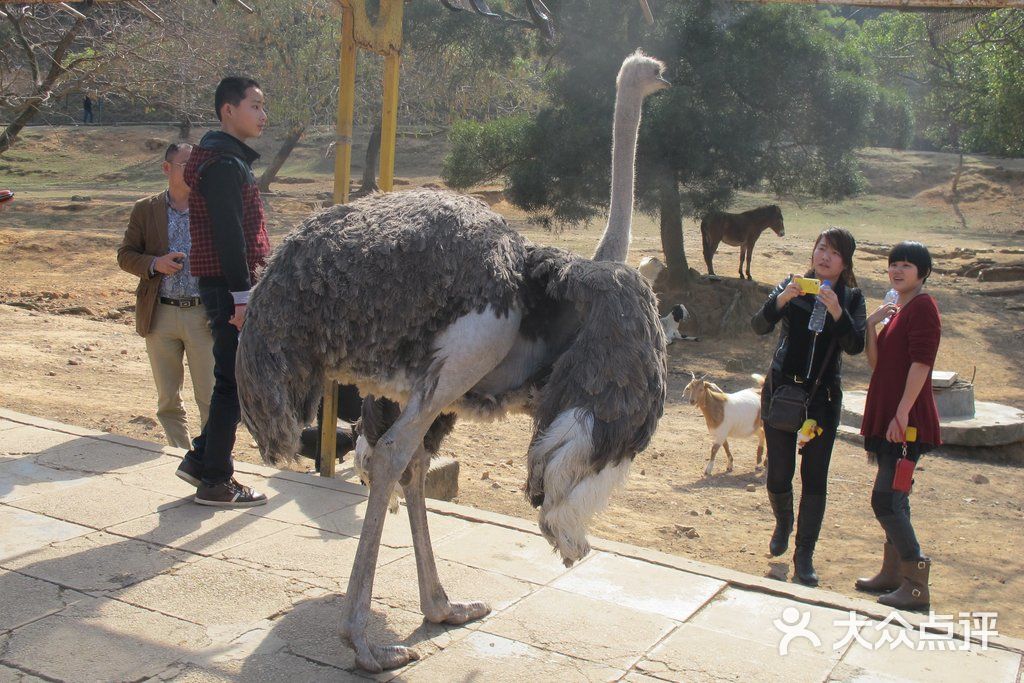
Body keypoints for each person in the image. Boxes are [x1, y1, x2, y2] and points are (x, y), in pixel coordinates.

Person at [174, 76, 270, 507]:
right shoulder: (225, 165)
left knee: (230, 379)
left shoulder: (226, 159)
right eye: (255, 106)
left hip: (224, 284)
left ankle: (201, 459)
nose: (263, 115)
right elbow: (230, 235)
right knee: (232, 382)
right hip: (229, 287)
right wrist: (242, 296)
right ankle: (215, 480)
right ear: (228, 111)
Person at [752, 227, 866, 586]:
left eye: (834, 252)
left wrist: (837, 312)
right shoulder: (793, 283)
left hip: (823, 400)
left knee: (814, 479)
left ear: (845, 261)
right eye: (821, 248)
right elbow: (759, 324)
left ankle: (804, 556)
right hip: (782, 392)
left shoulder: (851, 297)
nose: (825, 256)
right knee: (778, 474)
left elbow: (855, 345)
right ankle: (783, 521)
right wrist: (783, 298)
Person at [856, 241, 940, 611]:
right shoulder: (897, 309)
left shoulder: (923, 308)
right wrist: (872, 324)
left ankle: (915, 582)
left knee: (887, 499)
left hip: (906, 420)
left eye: (907, 265)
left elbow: (922, 363)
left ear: (922, 273)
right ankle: (892, 574)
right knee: (896, 499)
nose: (898, 270)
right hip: (889, 413)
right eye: (894, 264)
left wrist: (903, 411)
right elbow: (877, 363)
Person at [117, 143, 213, 449]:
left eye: (197, 165)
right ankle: (180, 454)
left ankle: (210, 459)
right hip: (160, 314)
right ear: (167, 168)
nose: (194, 171)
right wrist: (154, 264)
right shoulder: (146, 209)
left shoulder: (211, 207)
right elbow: (125, 255)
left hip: (203, 315)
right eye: (187, 164)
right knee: (168, 398)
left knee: (210, 396)